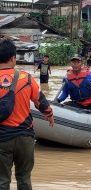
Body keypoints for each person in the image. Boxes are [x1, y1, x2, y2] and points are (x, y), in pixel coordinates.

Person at [0, 39, 54, 190]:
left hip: (2, 139)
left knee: (2, 181)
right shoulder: (26, 78)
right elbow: (41, 101)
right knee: (24, 178)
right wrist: (49, 114)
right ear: (13, 58)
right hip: (25, 137)